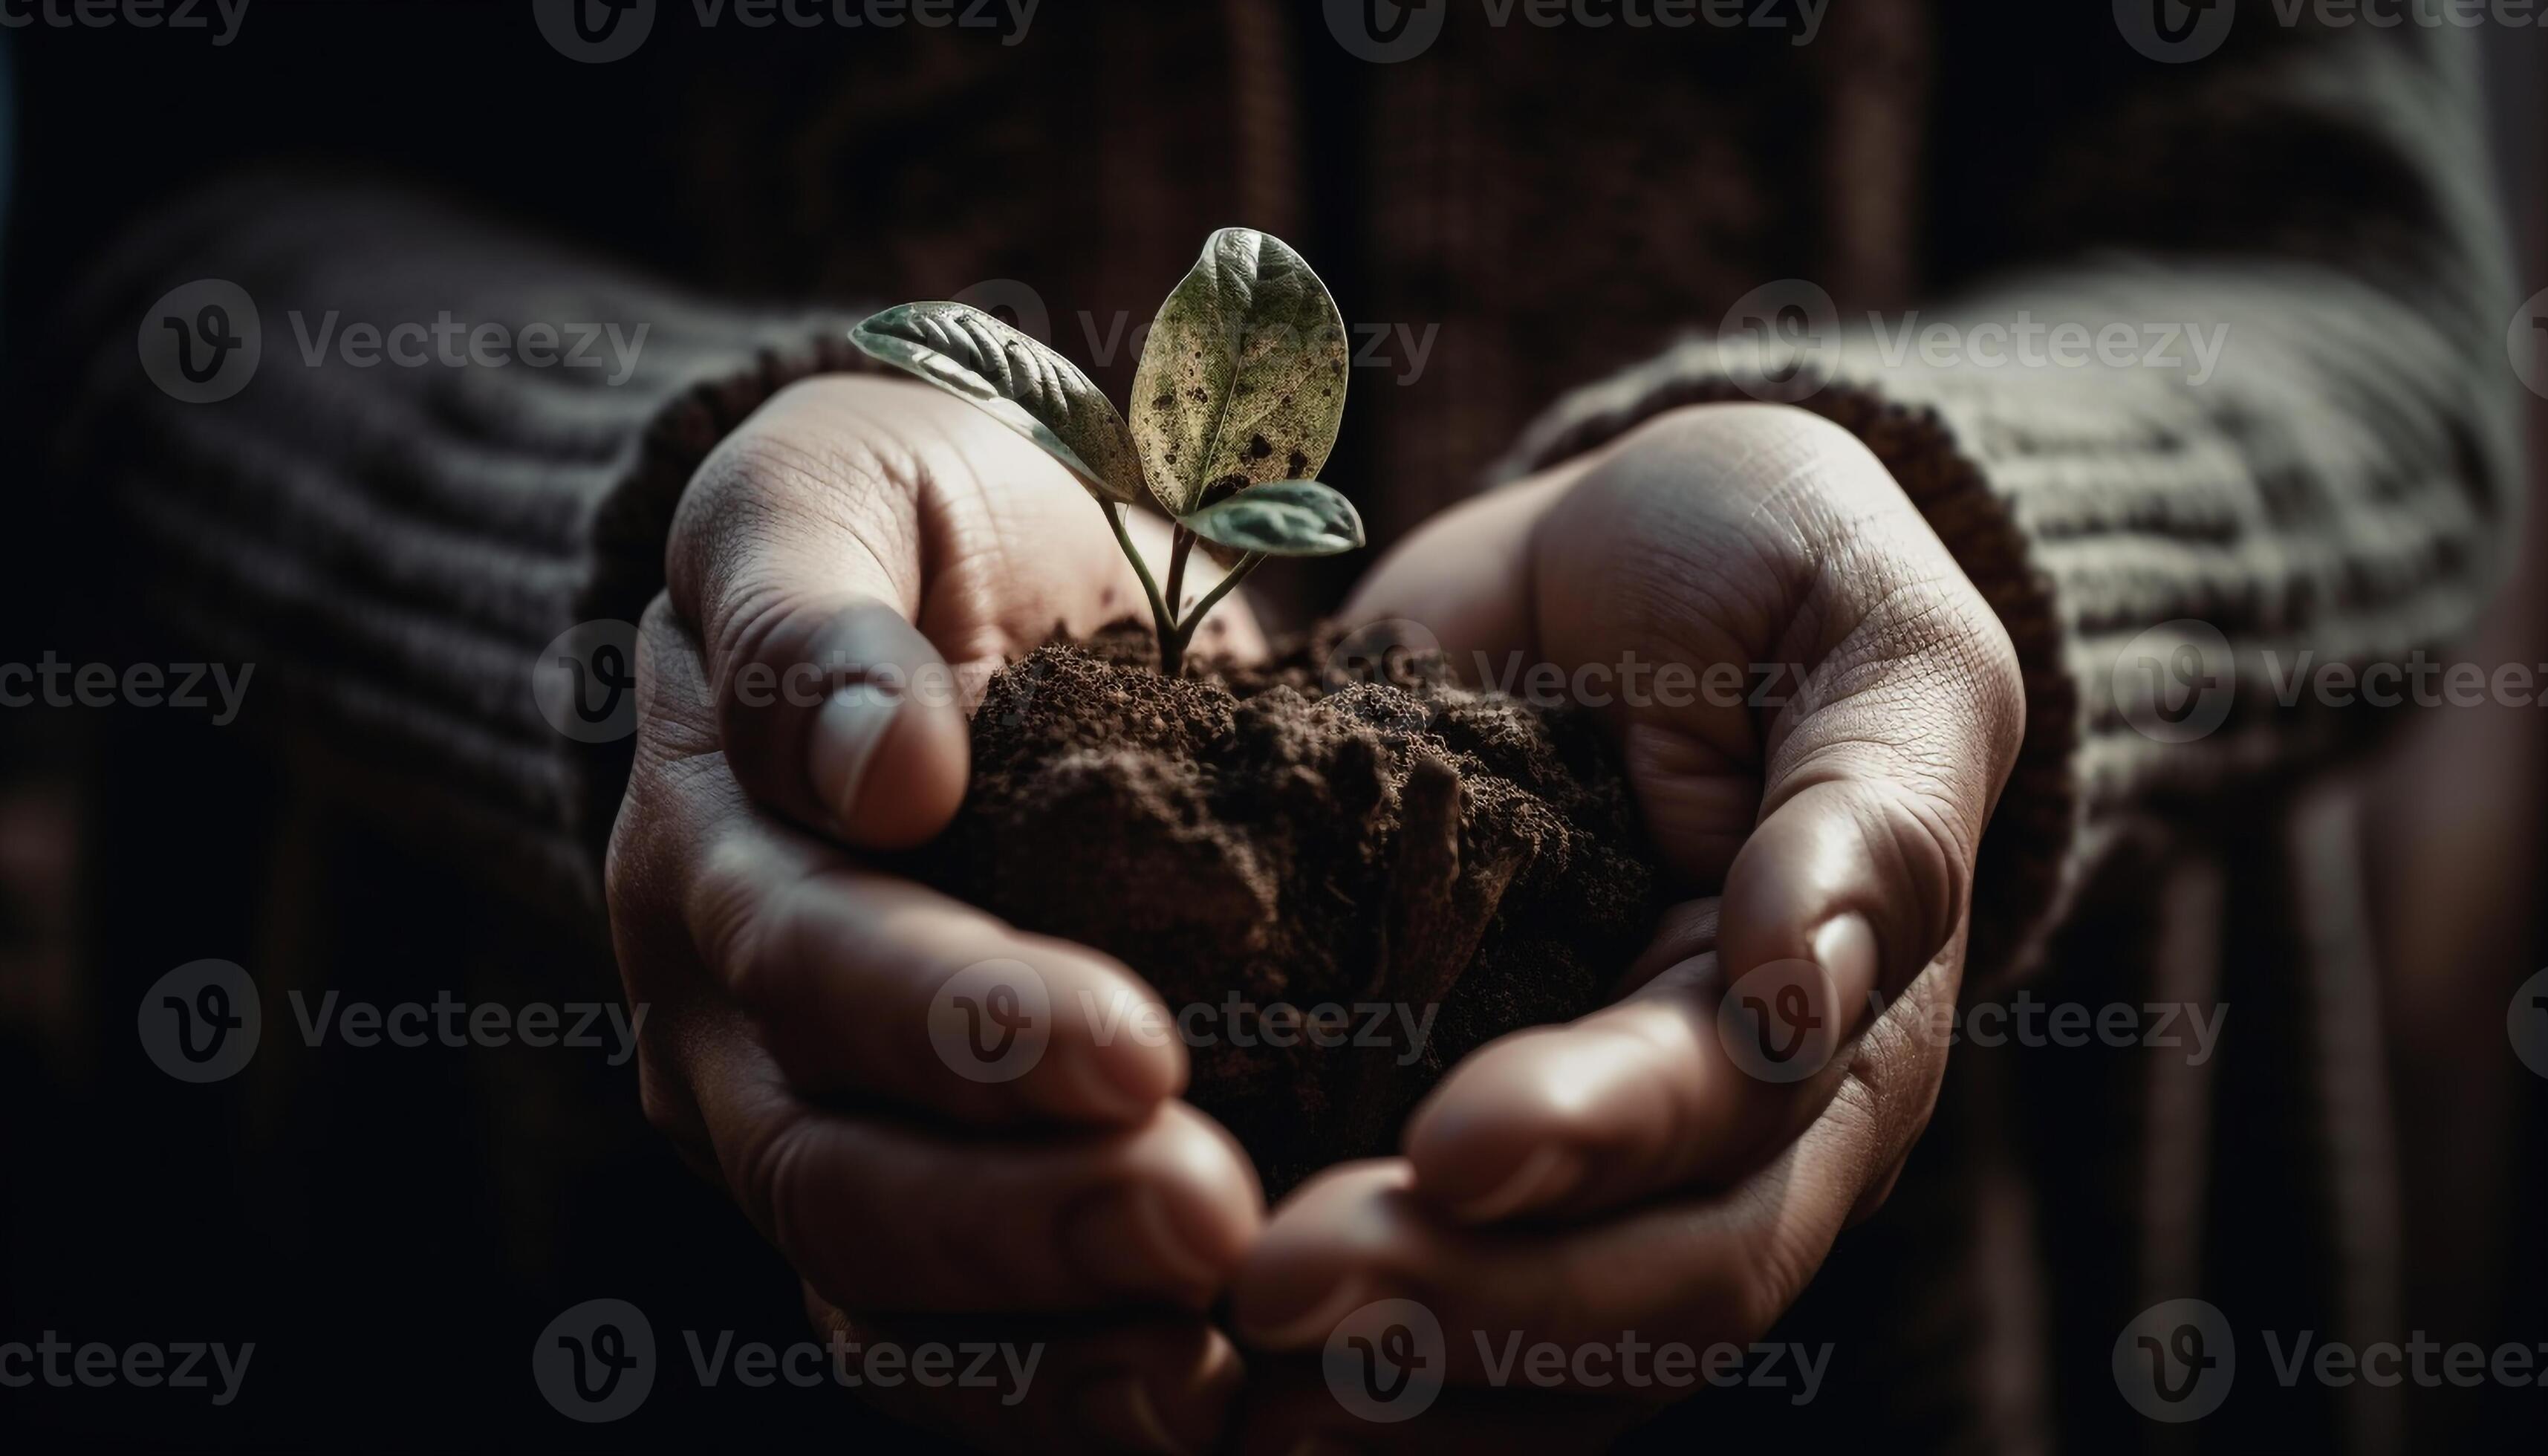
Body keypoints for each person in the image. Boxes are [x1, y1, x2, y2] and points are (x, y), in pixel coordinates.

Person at [23, 3, 2521, 1451]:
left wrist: (1955, 536)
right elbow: (146, 237)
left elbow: (2384, 318)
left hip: (1991, 1302)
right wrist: (652, 545)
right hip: (531, 1197)